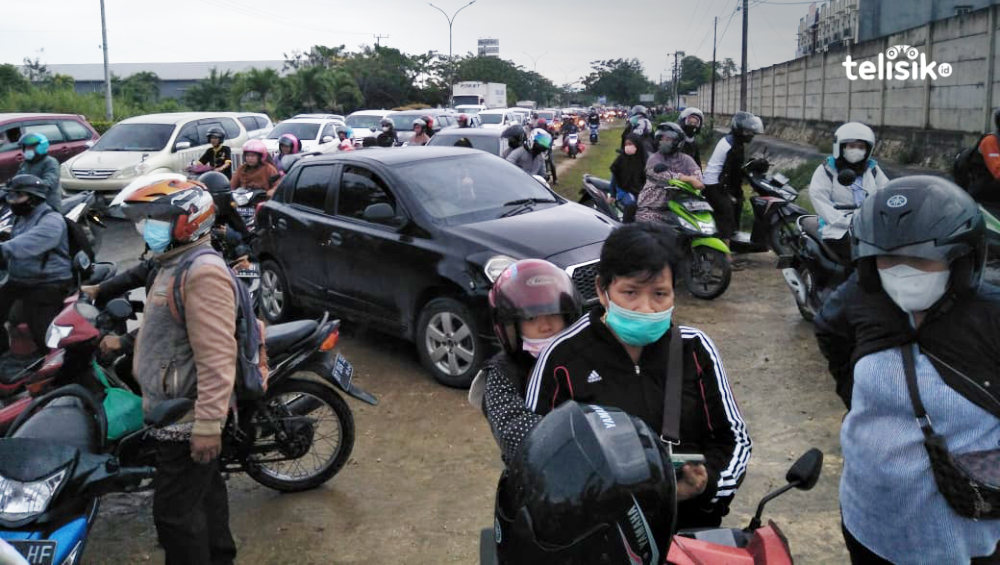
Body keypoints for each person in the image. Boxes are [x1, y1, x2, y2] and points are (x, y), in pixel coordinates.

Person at [814, 176, 1000, 564]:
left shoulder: (990, 316)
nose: (902, 271)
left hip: (963, 529)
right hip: (869, 516)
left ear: (961, 260)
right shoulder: (864, 297)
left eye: (920, 259)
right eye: (888, 258)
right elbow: (831, 333)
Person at [524, 222, 752, 529]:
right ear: (602, 290)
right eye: (630, 292)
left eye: (660, 294)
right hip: (600, 533)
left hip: (688, 528)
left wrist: (706, 484)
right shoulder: (562, 358)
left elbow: (734, 439)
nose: (645, 308)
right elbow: (536, 457)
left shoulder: (695, 349)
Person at [114, 176, 238, 565]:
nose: (146, 226)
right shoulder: (172, 261)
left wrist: (207, 424)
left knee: (174, 517)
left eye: (155, 218)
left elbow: (218, 355)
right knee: (205, 496)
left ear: (188, 220)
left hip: (185, 418)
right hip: (174, 409)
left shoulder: (201, 272)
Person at [469, 259, 582, 464]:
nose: (545, 326)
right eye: (531, 318)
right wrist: (578, 443)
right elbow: (513, 431)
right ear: (512, 327)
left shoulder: (583, 356)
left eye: (554, 313)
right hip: (536, 472)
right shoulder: (503, 372)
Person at [0, 174, 72, 355]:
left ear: (33, 198)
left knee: (44, 334)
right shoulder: (22, 217)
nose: (12, 201)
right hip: (21, 279)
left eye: (17, 196)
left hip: (47, 282)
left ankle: (55, 369)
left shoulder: (51, 221)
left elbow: (23, 245)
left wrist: (3, 249)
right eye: (11, 196)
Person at [809, 122, 890, 262]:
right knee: (859, 258)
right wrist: (845, 221)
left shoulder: (872, 169)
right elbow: (819, 198)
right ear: (841, 147)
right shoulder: (827, 170)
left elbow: (888, 191)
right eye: (851, 146)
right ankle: (850, 283)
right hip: (838, 228)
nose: (856, 150)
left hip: (869, 224)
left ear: (867, 150)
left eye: (861, 147)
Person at [702, 111, 763, 248]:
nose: (751, 134)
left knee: (739, 202)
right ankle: (724, 253)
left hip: (722, 182)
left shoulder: (736, 142)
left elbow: (736, 169)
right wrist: (729, 194)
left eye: (752, 131)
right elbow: (727, 172)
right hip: (714, 183)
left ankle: (733, 242)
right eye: (748, 131)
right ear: (739, 129)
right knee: (727, 213)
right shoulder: (731, 145)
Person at [635, 124, 705, 225]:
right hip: (652, 208)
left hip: (681, 207)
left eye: (668, 139)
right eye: (661, 139)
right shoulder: (654, 159)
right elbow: (663, 176)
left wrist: (695, 180)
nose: (663, 142)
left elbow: (699, 179)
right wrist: (689, 179)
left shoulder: (686, 159)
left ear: (677, 142)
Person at [15, 132, 61, 210]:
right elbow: (18, 178)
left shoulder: (50, 162)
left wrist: (32, 187)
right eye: (26, 148)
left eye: (31, 147)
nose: (27, 150)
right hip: (29, 202)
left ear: (41, 147)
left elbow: (49, 183)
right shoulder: (25, 163)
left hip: (48, 204)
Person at [609, 132, 648, 223]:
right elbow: (614, 179)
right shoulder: (621, 159)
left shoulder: (644, 160)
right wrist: (612, 194)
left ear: (637, 145)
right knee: (631, 205)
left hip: (640, 191)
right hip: (624, 191)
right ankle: (625, 228)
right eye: (626, 144)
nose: (627, 147)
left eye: (630, 144)